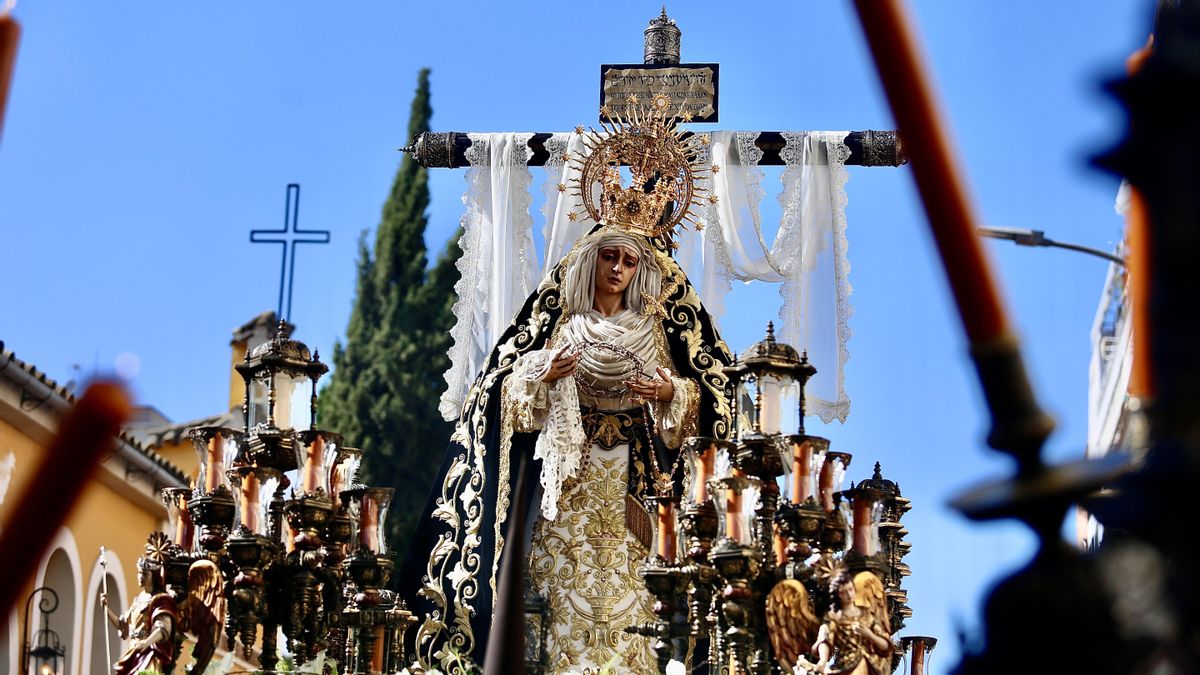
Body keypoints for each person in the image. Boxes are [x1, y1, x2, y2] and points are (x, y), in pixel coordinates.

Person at [101, 536, 178, 675]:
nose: (140, 577)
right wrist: (106, 608)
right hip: (134, 650)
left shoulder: (161, 600)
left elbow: (163, 629)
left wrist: (147, 642)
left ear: (153, 577)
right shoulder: (138, 600)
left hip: (149, 654)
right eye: (139, 573)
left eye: (145, 574)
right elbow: (122, 625)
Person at [809, 572, 893, 675]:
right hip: (844, 664)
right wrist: (823, 660)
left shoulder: (866, 614)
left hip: (867, 664)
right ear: (837, 594)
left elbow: (885, 646)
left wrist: (869, 635)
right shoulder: (834, 617)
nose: (849, 595)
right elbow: (825, 639)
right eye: (843, 592)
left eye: (850, 589)